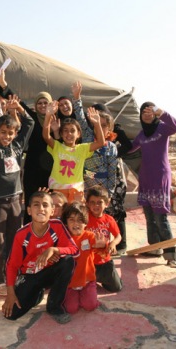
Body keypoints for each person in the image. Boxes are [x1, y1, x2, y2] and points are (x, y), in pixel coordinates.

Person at [0, 98, 35, 296]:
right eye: (2, 132)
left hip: (16, 200)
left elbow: (30, 123)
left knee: (14, 239)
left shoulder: (18, 146)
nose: (7, 136)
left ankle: (11, 273)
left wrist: (18, 108)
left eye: (10, 133)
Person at [72, 81, 131, 255]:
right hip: (87, 186)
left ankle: (105, 251)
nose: (101, 127)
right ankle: (85, 249)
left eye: (105, 125)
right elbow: (80, 118)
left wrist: (110, 194)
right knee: (87, 219)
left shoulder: (111, 147)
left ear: (110, 129)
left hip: (104, 191)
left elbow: (112, 171)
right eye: (98, 123)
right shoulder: (89, 138)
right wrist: (77, 98)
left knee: (104, 222)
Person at [3, 191, 79, 324]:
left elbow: (75, 250)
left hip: (49, 272)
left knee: (68, 261)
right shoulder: (21, 235)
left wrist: (54, 250)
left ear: (52, 210)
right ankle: (36, 294)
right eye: (36, 205)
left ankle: (54, 306)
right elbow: (12, 265)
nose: (41, 209)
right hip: (30, 276)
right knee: (11, 315)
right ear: (29, 210)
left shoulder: (57, 226)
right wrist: (10, 293)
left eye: (45, 205)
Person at [0, 71, 54, 224]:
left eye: (45, 103)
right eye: (40, 103)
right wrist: (3, 84)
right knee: (32, 201)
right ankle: (29, 234)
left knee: (49, 202)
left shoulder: (56, 120)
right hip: (33, 168)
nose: (43, 106)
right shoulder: (32, 118)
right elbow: (18, 102)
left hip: (52, 170)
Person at [131, 102, 176, 267]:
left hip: (160, 177)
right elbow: (131, 148)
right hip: (146, 178)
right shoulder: (142, 134)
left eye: (149, 111)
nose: (147, 114)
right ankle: (155, 248)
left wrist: (161, 112)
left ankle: (170, 255)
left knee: (161, 217)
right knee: (149, 217)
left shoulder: (163, 129)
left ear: (154, 113)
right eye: (143, 112)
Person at [43, 101, 104, 202]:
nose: (69, 133)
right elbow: (46, 136)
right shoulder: (57, 146)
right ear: (61, 134)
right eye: (65, 131)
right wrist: (48, 116)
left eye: (72, 130)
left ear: (78, 134)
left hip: (76, 191)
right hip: (58, 189)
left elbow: (101, 142)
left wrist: (97, 124)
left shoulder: (83, 148)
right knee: (58, 215)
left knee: (75, 216)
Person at [61, 202, 105, 314]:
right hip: (69, 284)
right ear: (66, 223)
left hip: (87, 281)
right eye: (71, 219)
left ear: (85, 223)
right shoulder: (63, 238)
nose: (76, 223)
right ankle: (72, 297)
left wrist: (102, 246)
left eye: (80, 220)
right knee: (71, 309)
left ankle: (89, 296)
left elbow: (103, 254)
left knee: (90, 306)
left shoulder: (89, 236)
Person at [85, 186, 123, 292]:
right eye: (92, 202)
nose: (96, 205)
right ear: (87, 203)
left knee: (116, 288)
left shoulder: (109, 220)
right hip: (88, 261)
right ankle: (91, 279)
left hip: (104, 260)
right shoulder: (84, 218)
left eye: (99, 202)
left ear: (107, 203)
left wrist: (113, 244)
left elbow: (118, 236)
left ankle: (104, 279)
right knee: (83, 287)